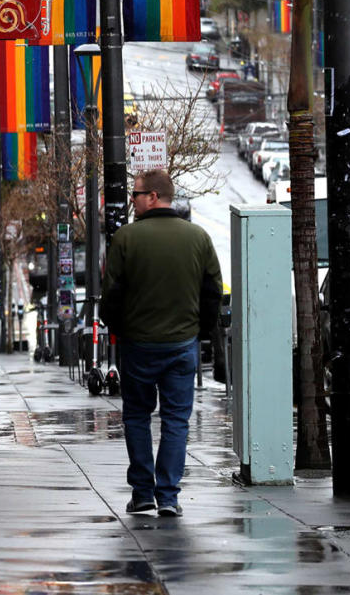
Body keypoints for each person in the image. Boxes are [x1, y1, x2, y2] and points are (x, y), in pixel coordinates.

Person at [101, 169, 222, 518]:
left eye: (136, 195)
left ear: (153, 197)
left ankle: (142, 492)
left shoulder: (125, 239)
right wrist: (200, 330)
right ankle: (168, 495)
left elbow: (112, 294)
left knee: (137, 416)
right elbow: (213, 289)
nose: (132, 201)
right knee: (176, 420)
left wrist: (120, 328)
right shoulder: (198, 238)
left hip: (138, 344)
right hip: (182, 344)